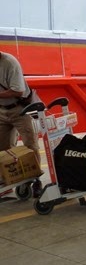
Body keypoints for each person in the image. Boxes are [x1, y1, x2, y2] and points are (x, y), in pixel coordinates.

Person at [0, 52, 42, 197]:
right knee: (3, 148)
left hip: (21, 109)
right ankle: (7, 181)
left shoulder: (10, 63)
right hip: (2, 109)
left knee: (30, 146)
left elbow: (18, 91)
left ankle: (36, 180)